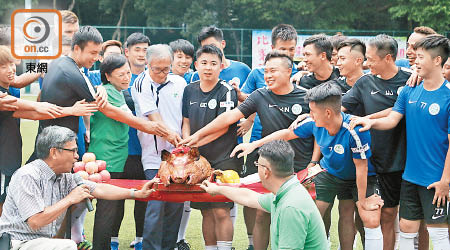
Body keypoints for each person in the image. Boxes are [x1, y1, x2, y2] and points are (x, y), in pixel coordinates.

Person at [234, 81, 385, 250]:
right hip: (330, 173)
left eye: (312, 111)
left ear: (328, 112)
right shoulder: (312, 122)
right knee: (311, 213)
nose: (309, 115)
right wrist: (254, 145)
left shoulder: (354, 130)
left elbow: (361, 168)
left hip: (360, 176)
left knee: (368, 217)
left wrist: (363, 200)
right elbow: (287, 133)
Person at [351, 34, 450, 250]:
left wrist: (445, 181)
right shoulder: (409, 90)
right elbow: (392, 119)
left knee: (439, 231)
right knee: (406, 226)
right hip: (409, 176)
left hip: (435, 179)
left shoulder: (448, 96)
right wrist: (371, 123)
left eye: (421, 57)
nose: (415, 62)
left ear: (437, 61)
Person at [0, 125, 157, 250]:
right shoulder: (28, 175)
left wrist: (136, 193)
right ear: (54, 152)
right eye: (73, 150)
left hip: (42, 243)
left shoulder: (65, 176)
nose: (77, 155)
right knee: (67, 246)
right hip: (18, 243)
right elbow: (35, 221)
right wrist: (70, 199)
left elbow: (100, 189)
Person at [0, 45, 97, 217]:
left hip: (10, 156)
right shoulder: (4, 95)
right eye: (3, 65)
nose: (11, 68)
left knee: (7, 202)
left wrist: (70, 110)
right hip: (4, 158)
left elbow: (33, 113)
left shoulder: (9, 88)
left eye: (11, 63)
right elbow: (32, 107)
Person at [91, 53, 174, 250]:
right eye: (121, 74)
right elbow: (129, 119)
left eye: (128, 73)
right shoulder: (107, 91)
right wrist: (159, 129)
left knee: (110, 207)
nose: (127, 77)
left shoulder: (117, 91)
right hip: (107, 157)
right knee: (107, 209)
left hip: (117, 156)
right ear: (108, 76)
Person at [237, 23, 307, 250]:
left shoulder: (301, 77)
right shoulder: (258, 73)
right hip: (261, 146)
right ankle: (252, 243)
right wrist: (248, 119)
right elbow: (250, 100)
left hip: (296, 152)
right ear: (272, 47)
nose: (287, 54)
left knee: (292, 208)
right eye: (283, 49)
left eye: (291, 50)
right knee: (260, 207)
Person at [341, 34, 412, 250]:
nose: (366, 63)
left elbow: (400, 111)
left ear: (388, 58)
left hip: (402, 160)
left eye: (370, 59)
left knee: (396, 215)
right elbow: (340, 108)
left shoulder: (410, 80)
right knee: (377, 217)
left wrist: (369, 119)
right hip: (372, 161)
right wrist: (311, 113)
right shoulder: (364, 82)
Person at [201, 140, 328, 250]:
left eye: (258, 165)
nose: (257, 168)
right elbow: (249, 197)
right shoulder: (287, 192)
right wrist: (217, 189)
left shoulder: (291, 207)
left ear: (266, 171)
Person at [181, 45, 242, 250]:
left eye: (213, 63)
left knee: (221, 209)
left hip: (224, 157)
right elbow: (186, 121)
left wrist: (194, 143)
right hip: (198, 161)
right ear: (196, 65)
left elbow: (223, 128)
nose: (208, 68)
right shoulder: (189, 89)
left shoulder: (226, 91)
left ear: (221, 66)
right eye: (204, 63)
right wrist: (187, 144)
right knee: (206, 210)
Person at [132, 44, 186, 250]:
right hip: (154, 156)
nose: (163, 74)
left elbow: (185, 116)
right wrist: (172, 136)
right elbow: (154, 118)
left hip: (179, 157)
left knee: (175, 205)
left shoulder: (179, 83)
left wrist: (183, 142)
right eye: (157, 69)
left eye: (167, 68)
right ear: (147, 64)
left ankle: (168, 246)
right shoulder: (141, 84)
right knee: (156, 203)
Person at [114, 32, 151, 250]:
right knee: (116, 199)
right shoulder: (117, 79)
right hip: (120, 150)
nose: (141, 54)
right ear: (126, 52)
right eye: (137, 49)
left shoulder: (151, 79)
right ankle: (113, 241)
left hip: (145, 150)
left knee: (143, 197)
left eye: (145, 50)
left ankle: (140, 240)